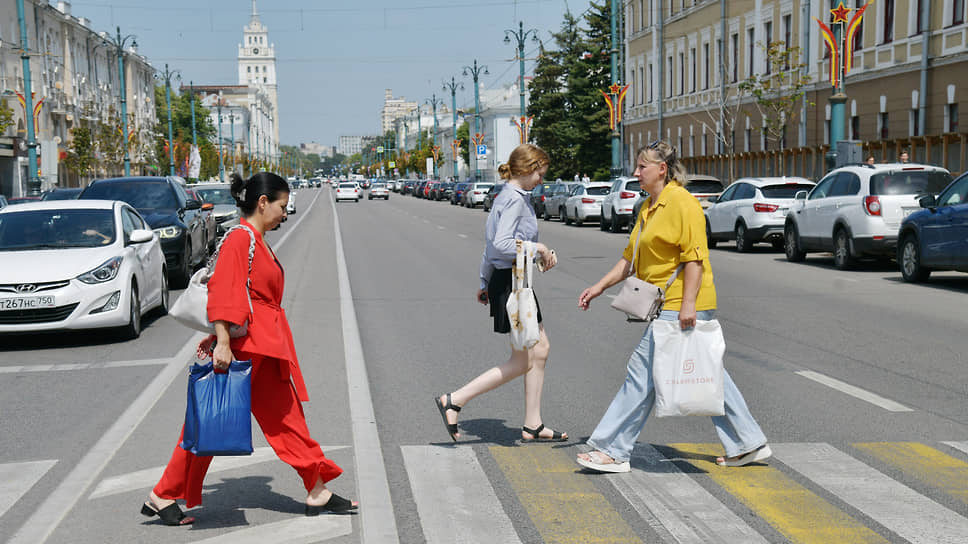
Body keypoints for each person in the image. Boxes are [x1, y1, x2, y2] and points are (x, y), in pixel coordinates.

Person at [142, 172, 357, 527]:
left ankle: (315, 487)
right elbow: (226, 291)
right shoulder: (241, 239)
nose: (285, 213)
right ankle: (163, 493)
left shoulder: (254, 238)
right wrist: (222, 342)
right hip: (248, 348)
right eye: (282, 206)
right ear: (262, 203)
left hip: (263, 345)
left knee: (278, 419)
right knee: (213, 421)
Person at [574, 140, 770, 473]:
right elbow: (629, 259)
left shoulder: (682, 203)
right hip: (665, 302)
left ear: (661, 169)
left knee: (642, 372)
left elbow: (694, 257)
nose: (636, 173)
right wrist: (598, 287)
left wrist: (688, 306)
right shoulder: (650, 206)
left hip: (682, 302)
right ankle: (747, 441)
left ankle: (613, 449)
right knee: (707, 372)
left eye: (642, 167)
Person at [435, 143, 568, 443]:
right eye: (539, 174)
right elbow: (501, 244)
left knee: (539, 349)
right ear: (527, 169)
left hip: (510, 279)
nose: (540, 180)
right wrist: (540, 248)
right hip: (512, 281)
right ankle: (454, 400)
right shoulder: (514, 200)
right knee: (523, 359)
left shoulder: (506, 196)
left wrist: (484, 281)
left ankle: (533, 423)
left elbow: (490, 244)